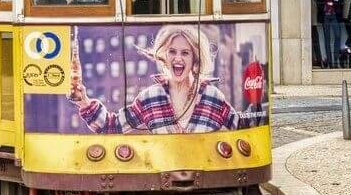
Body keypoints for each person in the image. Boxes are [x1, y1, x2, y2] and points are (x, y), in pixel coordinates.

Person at [70, 25, 240, 134]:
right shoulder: (149, 98)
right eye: (172, 52)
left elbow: (242, 125)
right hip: (162, 178)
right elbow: (111, 126)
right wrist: (83, 102)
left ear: (195, 59)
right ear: (163, 56)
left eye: (185, 53)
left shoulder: (213, 97)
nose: (178, 58)